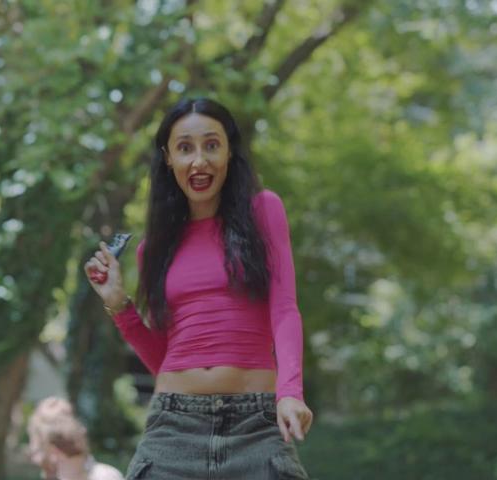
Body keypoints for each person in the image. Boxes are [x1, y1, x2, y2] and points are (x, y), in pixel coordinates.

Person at [84, 97, 312, 479]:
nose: (199, 161)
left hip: (255, 425)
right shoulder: (153, 249)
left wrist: (290, 392)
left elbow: (285, 308)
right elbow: (164, 358)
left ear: (229, 152)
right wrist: (119, 305)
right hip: (174, 426)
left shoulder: (263, 211)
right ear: (168, 157)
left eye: (211, 145)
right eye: (185, 148)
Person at [27, 396, 124, 480]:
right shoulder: (107, 474)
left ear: (54, 450)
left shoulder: (105, 476)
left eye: (37, 447)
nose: (34, 458)